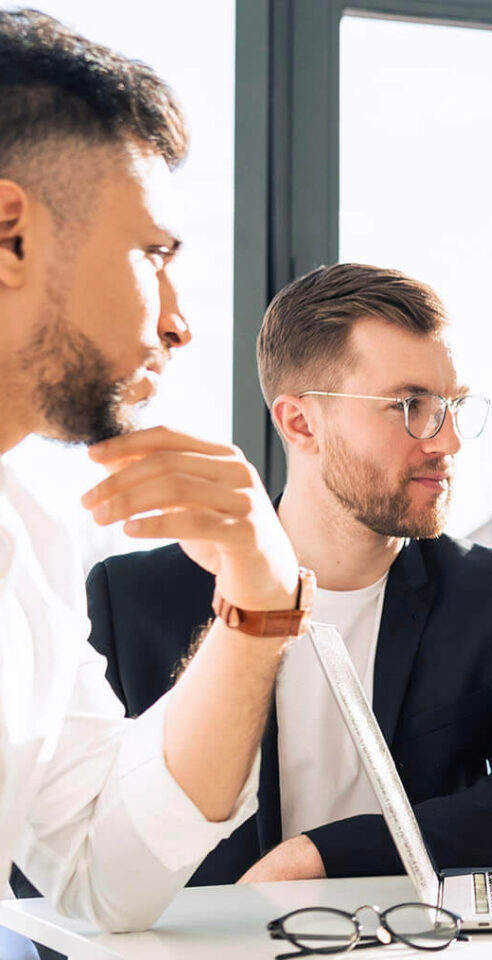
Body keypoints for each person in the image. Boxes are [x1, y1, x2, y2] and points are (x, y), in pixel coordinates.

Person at [73, 263, 492, 885]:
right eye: (411, 406)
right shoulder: (133, 599)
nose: (448, 441)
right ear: (301, 424)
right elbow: (64, 867)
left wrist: (321, 856)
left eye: (452, 406)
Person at [0, 8, 307, 932]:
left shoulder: (27, 541)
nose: (178, 322)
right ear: (9, 232)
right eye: (154, 254)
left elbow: (106, 874)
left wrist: (261, 600)